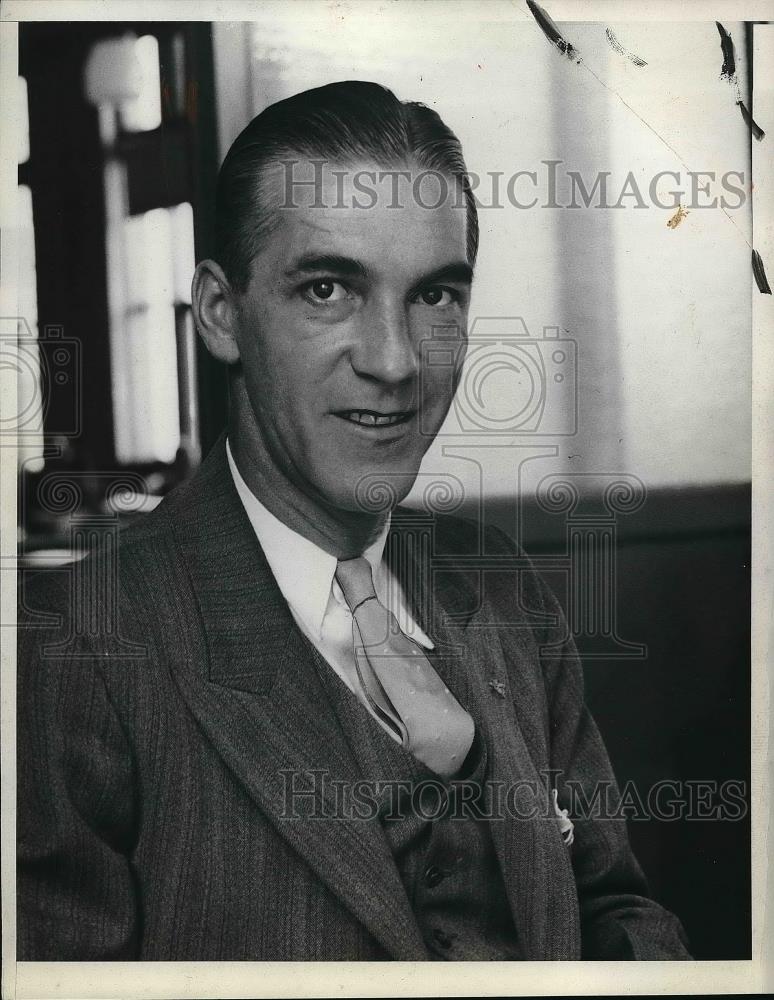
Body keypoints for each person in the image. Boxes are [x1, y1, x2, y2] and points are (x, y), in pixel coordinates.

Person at [17, 81, 690, 961]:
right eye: (329, 287)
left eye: (435, 296)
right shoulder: (80, 646)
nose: (395, 360)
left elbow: (615, 909)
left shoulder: (504, 590)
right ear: (222, 315)